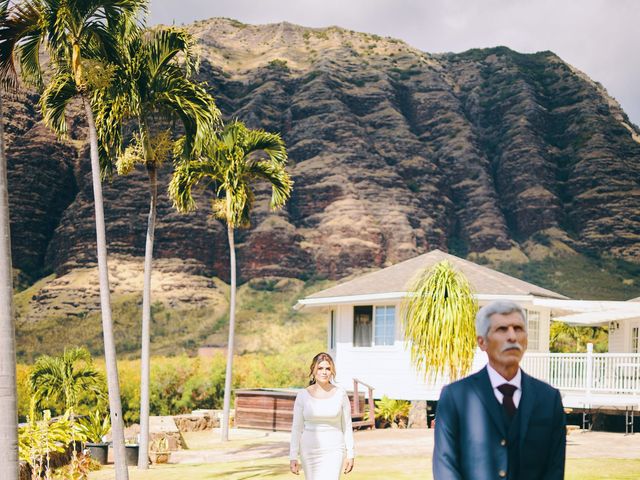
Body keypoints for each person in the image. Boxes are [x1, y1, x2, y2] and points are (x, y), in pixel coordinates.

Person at [433, 300, 566, 480]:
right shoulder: (456, 397)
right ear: (482, 342)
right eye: (502, 329)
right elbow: (445, 466)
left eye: (518, 328)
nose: (512, 337)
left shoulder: (549, 400)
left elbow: (554, 470)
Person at [289, 352, 355, 478]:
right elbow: (296, 428)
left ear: (332, 372)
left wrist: (350, 453)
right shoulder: (302, 395)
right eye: (320, 368)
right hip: (309, 450)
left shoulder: (340, 394)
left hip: (335, 448)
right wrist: (293, 456)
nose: (324, 372)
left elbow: (347, 426)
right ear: (313, 370)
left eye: (328, 368)